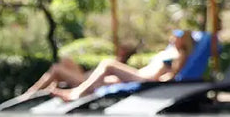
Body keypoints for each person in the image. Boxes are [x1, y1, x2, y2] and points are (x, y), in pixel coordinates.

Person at [51, 30, 195, 102]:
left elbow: (174, 73)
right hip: (140, 74)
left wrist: (163, 83)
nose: (174, 38)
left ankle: (78, 94)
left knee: (108, 65)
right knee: (109, 80)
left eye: (178, 36)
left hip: (145, 80)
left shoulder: (180, 54)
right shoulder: (169, 51)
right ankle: (75, 91)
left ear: (183, 40)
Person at [9, 42, 140, 103]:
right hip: (86, 77)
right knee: (65, 60)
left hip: (85, 82)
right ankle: (47, 87)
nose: (120, 50)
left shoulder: (122, 67)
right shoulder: (117, 63)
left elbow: (115, 82)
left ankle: (30, 93)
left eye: (123, 49)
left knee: (56, 69)